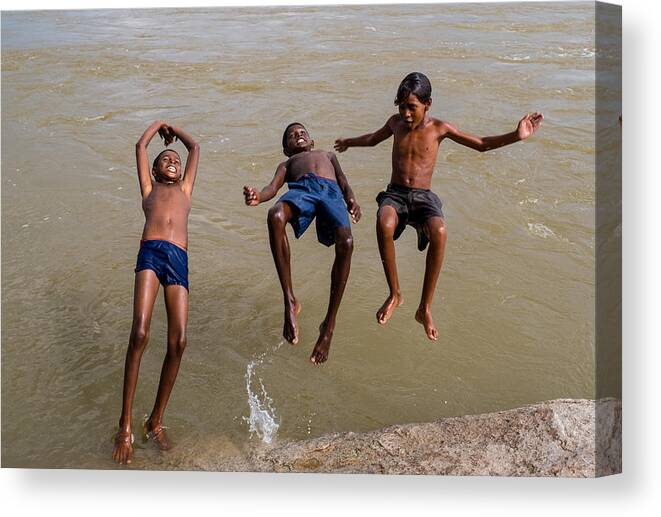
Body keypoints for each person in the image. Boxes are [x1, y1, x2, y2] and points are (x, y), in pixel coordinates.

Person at [334, 72, 543, 341]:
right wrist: (349, 142)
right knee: (383, 221)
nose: (406, 114)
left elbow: (480, 144)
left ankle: (425, 307)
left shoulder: (439, 129)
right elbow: (373, 139)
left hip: (423, 197)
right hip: (396, 194)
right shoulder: (395, 123)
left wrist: (516, 136)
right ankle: (395, 293)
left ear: (428, 104)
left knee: (440, 232)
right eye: (402, 107)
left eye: (413, 107)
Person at [112, 120, 200, 464]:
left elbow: (195, 148)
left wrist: (175, 130)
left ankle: (156, 419)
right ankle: (125, 424)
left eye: (175, 160)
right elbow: (139, 146)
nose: (173, 161)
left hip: (178, 258)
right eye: (166, 159)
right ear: (154, 170)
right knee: (140, 331)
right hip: (150, 251)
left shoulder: (186, 190)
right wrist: (159, 126)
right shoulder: (149, 190)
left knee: (179, 341)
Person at [243, 123, 361, 364]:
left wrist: (352, 200)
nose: (298, 135)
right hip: (302, 190)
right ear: (287, 149)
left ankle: (328, 326)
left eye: (302, 133)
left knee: (347, 242)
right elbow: (272, 188)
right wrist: (259, 196)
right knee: (275, 215)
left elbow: (343, 181)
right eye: (291, 136)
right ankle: (289, 300)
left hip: (330, 193)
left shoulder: (327, 155)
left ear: (312, 141)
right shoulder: (286, 165)